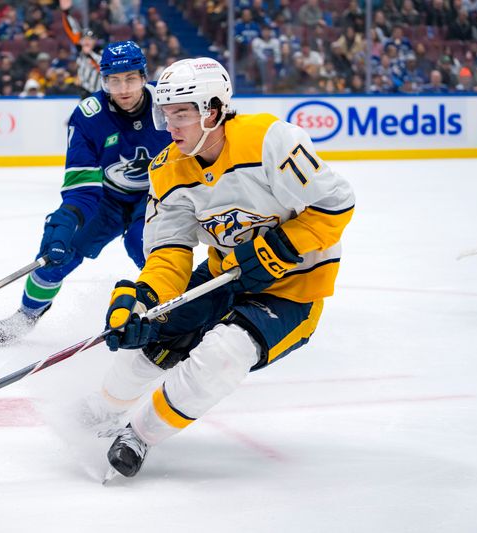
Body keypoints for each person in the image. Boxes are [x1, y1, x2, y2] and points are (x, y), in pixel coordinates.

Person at [95, 57, 355, 478]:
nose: (171, 125)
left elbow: (334, 204)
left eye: (182, 114)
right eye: (166, 114)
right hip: (224, 274)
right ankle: (100, 412)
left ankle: (138, 436)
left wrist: (280, 248)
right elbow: (170, 251)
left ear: (213, 111)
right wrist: (146, 298)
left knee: (223, 354)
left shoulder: (270, 140)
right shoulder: (167, 169)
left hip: (294, 289)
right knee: (156, 332)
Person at [0, 41, 173, 344]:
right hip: (106, 200)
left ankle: (174, 316)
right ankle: (27, 315)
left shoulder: (168, 105)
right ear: (103, 80)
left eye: (131, 79)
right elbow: (81, 189)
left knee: (146, 248)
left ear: (144, 76)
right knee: (59, 251)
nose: (123, 89)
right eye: (113, 80)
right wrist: (64, 223)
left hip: (157, 195)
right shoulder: (89, 116)